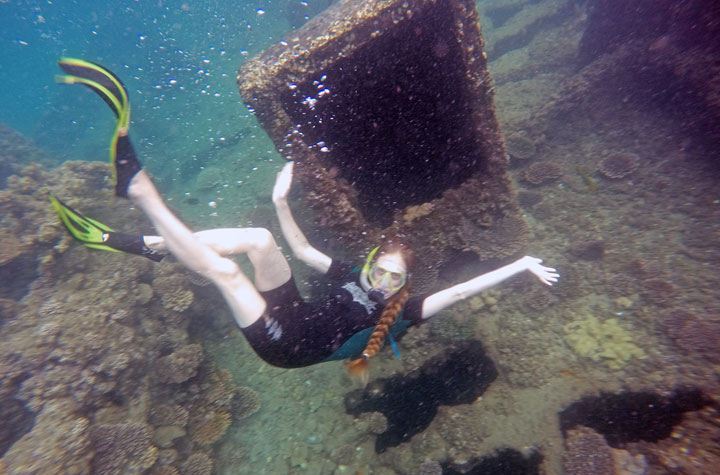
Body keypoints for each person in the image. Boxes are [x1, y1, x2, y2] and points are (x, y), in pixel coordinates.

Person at [52, 58, 560, 382]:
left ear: (406, 283)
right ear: (371, 262)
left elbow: (465, 290)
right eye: (380, 269)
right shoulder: (355, 275)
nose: (382, 281)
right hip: (294, 309)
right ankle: (143, 243)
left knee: (226, 272)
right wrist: (280, 203)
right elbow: (302, 252)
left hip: (286, 346)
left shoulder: (409, 312)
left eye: (392, 277)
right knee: (257, 241)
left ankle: (139, 192)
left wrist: (519, 265)